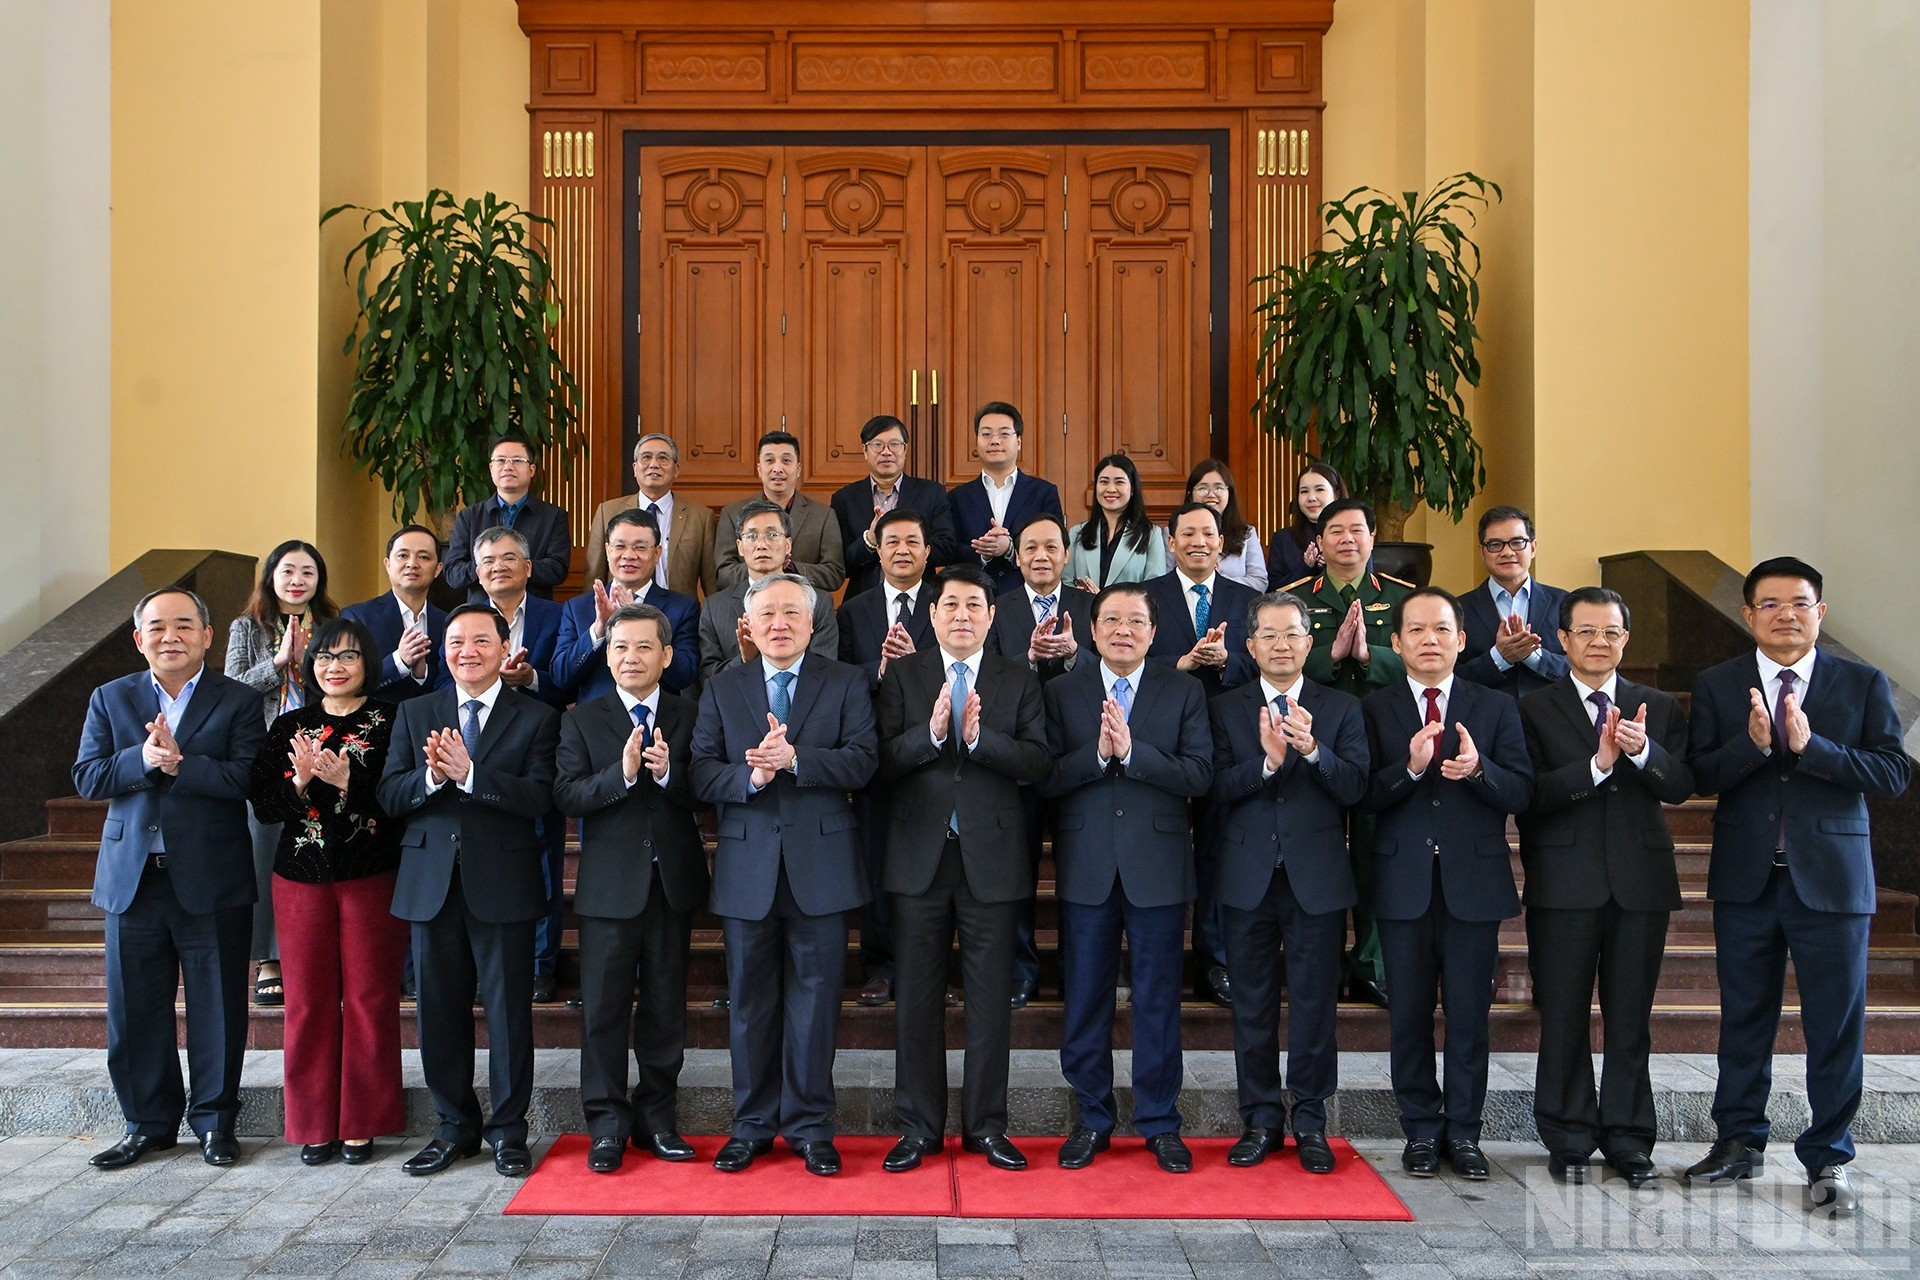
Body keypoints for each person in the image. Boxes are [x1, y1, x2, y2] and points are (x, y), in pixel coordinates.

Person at [1681, 557, 1910, 1217]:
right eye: (1771, 604)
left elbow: (1893, 773)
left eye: (1800, 603)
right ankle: (1738, 1142)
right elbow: (1699, 776)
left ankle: (1829, 1156)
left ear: (1821, 613)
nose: (1787, 615)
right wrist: (1752, 747)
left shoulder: (1862, 683)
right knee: (1743, 1018)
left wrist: (1816, 749)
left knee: (1834, 1026)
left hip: (1834, 885)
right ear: (1748, 614)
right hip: (1748, 879)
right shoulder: (1719, 684)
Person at [691, 574, 877, 1176]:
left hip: (820, 867)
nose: (779, 623)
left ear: (813, 621)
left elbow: (864, 760)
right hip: (748, 869)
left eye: (791, 612)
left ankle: (810, 1126)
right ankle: (750, 1126)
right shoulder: (724, 687)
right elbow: (700, 772)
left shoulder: (845, 681)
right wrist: (753, 779)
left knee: (817, 1002)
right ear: (748, 623)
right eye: (766, 612)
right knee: (749, 1003)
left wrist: (798, 759)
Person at [73, 589, 265, 1170]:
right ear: (139, 639)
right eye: (157, 627)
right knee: (134, 1010)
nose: (170, 636)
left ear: (208, 636)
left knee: (219, 1007)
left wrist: (182, 766)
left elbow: (246, 779)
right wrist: (142, 760)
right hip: (134, 880)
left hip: (212, 877)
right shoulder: (111, 698)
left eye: (184, 625)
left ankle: (213, 1123)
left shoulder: (238, 699)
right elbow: (87, 776)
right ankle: (148, 1125)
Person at [376, 604, 561, 1178]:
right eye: (456, 641)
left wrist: (474, 777)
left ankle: (509, 1131)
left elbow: (542, 798)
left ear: (505, 650)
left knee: (508, 1014)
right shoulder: (413, 712)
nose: (468, 651)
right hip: (431, 883)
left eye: (482, 641)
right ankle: (453, 1128)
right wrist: (434, 777)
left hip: (502, 882)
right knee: (438, 1013)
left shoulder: (536, 717)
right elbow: (388, 795)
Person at [876, 566, 1051, 1173]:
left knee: (989, 1001)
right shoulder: (902, 675)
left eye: (973, 605)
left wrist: (979, 744)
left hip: (992, 860)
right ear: (931, 613)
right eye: (950, 604)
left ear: (991, 614)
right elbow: (877, 761)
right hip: (918, 859)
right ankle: (919, 1127)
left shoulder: (1018, 678)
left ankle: (986, 1127)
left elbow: (1036, 760)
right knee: (916, 1000)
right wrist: (930, 735)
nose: (960, 615)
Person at [1516, 587, 1692, 1189]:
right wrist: (1597, 765)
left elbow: (1681, 785)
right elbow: (1528, 795)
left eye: (1611, 632)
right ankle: (1567, 1136)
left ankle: (1628, 1137)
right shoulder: (1533, 708)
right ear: (1562, 639)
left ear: (1626, 639)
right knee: (1563, 1014)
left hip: (1641, 882)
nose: (1599, 642)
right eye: (1586, 631)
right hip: (1563, 882)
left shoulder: (1658, 706)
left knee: (1629, 1018)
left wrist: (1643, 756)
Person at [1361, 587, 1532, 1181]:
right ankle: (1419, 1130)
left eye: (1441, 630)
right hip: (1401, 877)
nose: (1429, 640)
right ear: (1397, 642)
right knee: (1407, 1012)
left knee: (1467, 1014)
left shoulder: (1495, 707)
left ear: (1462, 640)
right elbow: (1362, 793)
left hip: (1472, 882)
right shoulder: (1377, 708)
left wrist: (1481, 770)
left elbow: (1522, 792)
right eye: (1416, 631)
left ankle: (1464, 1133)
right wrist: (1410, 769)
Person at [1042, 584, 1213, 1173]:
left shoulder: (1183, 690)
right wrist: (1096, 756)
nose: (1122, 629)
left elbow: (1199, 774)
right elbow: (1044, 776)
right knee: (1086, 997)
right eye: (1110, 619)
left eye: (1134, 621)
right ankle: (1092, 1118)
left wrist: (1134, 752)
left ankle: (1160, 1121)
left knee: (1158, 1000)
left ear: (1154, 631)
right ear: (1091, 631)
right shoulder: (1063, 692)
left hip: (1158, 869)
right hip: (1087, 866)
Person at [1208, 590, 1368, 1174]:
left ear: (1309, 644)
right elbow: (1213, 789)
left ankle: (1310, 1121)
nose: (1280, 645)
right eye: (1268, 636)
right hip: (1247, 877)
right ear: (1250, 647)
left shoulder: (1341, 709)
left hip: (1317, 881)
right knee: (1250, 1007)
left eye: (1291, 635)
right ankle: (1260, 1120)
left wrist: (1313, 751)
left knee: (1314, 1006)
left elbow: (1356, 788)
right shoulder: (1227, 708)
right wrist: (1269, 764)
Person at [244, 616, 407, 1167]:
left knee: (369, 998)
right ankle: (313, 1124)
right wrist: (300, 782)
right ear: (311, 664)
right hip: (299, 876)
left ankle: (362, 1122)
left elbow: (402, 798)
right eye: (324, 657)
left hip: (370, 872)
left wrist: (347, 782)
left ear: (368, 664)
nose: (334, 667)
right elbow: (264, 806)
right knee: (308, 1001)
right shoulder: (291, 724)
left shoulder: (390, 719)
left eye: (347, 657)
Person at [553, 602, 709, 1174]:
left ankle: (658, 1120)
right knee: (603, 1011)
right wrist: (619, 777)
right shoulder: (581, 719)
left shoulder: (689, 713)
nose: (630, 657)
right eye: (620, 647)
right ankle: (607, 1127)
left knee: (667, 1007)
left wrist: (669, 773)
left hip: (671, 881)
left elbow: (707, 789)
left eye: (644, 647)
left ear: (667, 656)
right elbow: (567, 795)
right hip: (608, 887)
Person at [1290, 497, 1412, 1007]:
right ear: (1318, 542)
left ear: (1373, 535)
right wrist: (1331, 654)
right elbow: (1276, 658)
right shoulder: (1294, 597)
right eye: (1334, 531)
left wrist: (1369, 656)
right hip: (1312, 736)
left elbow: (1427, 660)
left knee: (1373, 850)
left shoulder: (1404, 598)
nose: (1346, 539)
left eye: (1356, 530)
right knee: (1313, 850)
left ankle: (1370, 963)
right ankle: (1318, 961)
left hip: (1380, 738)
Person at [986, 512, 1095, 1007]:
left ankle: (1079, 972)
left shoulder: (1091, 606)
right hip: (1018, 760)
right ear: (1017, 554)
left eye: (1052, 547)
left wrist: (1075, 654)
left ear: (1067, 555)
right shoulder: (997, 608)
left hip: (1080, 757)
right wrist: (1027, 661)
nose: (1041, 556)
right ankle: (1021, 970)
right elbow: (985, 677)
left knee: (1080, 874)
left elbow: (1118, 668)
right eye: (1030, 548)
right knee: (1017, 871)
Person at [226, 539, 339, 1010]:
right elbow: (231, 690)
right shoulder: (247, 628)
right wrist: (276, 664)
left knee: (323, 846)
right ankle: (268, 960)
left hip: (324, 747)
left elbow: (346, 679)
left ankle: (317, 954)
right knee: (264, 850)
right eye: (288, 571)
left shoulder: (333, 626)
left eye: (307, 572)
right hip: (267, 754)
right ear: (271, 576)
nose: (297, 580)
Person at [836, 507, 938, 1007]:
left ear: (927, 550)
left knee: (931, 869)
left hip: (935, 753)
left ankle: (927, 971)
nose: (902, 550)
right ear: (876, 549)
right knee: (878, 864)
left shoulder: (948, 604)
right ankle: (879, 966)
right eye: (891, 541)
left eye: (912, 541)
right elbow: (837, 679)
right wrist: (878, 668)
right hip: (875, 755)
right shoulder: (855, 609)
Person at [473, 524, 575, 1005]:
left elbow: (574, 682)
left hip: (541, 748)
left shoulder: (558, 616)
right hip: (480, 752)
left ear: (529, 568)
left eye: (509, 558)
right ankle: (486, 960)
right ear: (477, 571)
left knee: (544, 855)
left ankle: (540, 962)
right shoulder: (465, 621)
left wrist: (533, 678)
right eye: (489, 560)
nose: (499, 567)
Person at [553, 508, 700, 702]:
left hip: (657, 721)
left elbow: (685, 676)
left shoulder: (682, 608)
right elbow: (561, 677)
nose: (629, 555)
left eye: (640, 547)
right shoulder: (577, 608)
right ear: (607, 550)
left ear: (657, 554)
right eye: (620, 546)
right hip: (595, 723)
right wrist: (598, 630)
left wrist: (643, 622)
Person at [698, 500, 839, 683]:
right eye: (752, 536)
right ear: (740, 547)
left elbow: (824, 670)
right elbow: (707, 678)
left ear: (788, 545)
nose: (762, 544)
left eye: (772, 535)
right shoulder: (714, 608)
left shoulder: (818, 602)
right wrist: (745, 660)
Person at [830, 414, 962, 598]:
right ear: (865, 450)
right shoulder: (845, 499)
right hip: (865, 602)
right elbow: (841, 562)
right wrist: (870, 540)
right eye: (877, 445)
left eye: (894, 444)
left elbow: (947, 548)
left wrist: (907, 547)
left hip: (922, 600)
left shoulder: (931, 493)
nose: (886, 452)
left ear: (905, 449)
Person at [583, 433, 721, 599]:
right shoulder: (608, 511)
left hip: (678, 617)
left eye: (663, 458)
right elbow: (594, 575)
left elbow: (711, 583)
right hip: (620, 614)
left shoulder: (701, 517)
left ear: (676, 470)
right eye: (646, 457)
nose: (654, 464)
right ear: (635, 468)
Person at [1143, 502, 1259, 699]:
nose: (1199, 542)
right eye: (1188, 534)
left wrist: (1226, 660)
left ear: (1220, 543)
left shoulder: (1250, 599)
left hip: (1230, 711)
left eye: (1208, 534)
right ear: (1171, 543)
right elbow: (1128, 658)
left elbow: (1265, 662)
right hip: (1165, 708)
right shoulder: (1145, 597)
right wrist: (1179, 663)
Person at [948, 402, 1065, 596]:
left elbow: (1055, 544)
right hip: (974, 598)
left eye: (1004, 434)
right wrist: (984, 553)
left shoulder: (1043, 492)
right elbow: (951, 549)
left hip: (1027, 596)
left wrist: (1011, 548)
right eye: (986, 434)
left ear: (1018, 441)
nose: (995, 441)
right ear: (976, 441)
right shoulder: (957, 497)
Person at [443, 429, 573, 601]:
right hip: (481, 612)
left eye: (517, 460)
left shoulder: (553, 516)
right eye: (501, 460)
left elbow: (557, 569)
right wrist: (489, 567)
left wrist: (516, 567)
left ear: (532, 469)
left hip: (535, 612)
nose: (508, 466)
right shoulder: (469, 517)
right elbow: (453, 572)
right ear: (491, 468)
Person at [714, 430, 846, 592]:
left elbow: (835, 574)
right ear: (759, 469)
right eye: (769, 460)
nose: (777, 468)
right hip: (748, 610)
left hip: (804, 611)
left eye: (786, 461)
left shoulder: (823, 515)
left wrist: (790, 568)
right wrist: (765, 568)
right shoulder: (732, 514)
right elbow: (723, 574)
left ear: (798, 469)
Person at [1458, 505, 1569, 699]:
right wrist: (1499, 658)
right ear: (1482, 552)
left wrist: (1534, 657)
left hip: (1552, 720)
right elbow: (1449, 676)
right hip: (1485, 720)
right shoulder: (1458, 609)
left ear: (1533, 548)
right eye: (1495, 544)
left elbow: (1582, 667)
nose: (1507, 552)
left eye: (1517, 542)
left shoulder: (1565, 603)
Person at [341, 525, 448, 703]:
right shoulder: (357, 617)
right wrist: (399, 661)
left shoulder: (447, 622)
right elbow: (347, 680)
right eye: (403, 555)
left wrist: (421, 674)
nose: (412, 564)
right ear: (388, 564)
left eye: (423, 557)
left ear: (437, 569)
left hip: (432, 726)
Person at [1065, 453, 1168, 591]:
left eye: (1119, 482)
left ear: (1132, 489)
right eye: (1104, 482)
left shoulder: (1150, 534)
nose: (1111, 489)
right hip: (1083, 612)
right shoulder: (1077, 533)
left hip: (1130, 612)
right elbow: (1066, 583)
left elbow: (1155, 589)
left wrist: (1104, 600)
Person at [1186, 458, 1267, 591]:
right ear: (1190, 495)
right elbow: (1165, 579)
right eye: (1202, 488)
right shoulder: (1173, 533)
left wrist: (1219, 581)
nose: (1211, 495)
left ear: (1229, 493)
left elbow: (1260, 582)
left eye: (1218, 488)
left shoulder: (1246, 533)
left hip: (1235, 606)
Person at [1268, 462, 1348, 586]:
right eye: (1304, 491)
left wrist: (1336, 566)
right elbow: (1273, 589)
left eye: (1319, 489)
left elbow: (1366, 584)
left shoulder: (1353, 536)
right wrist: (1307, 568)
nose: (1311, 498)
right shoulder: (1283, 539)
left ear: (1336, 495)